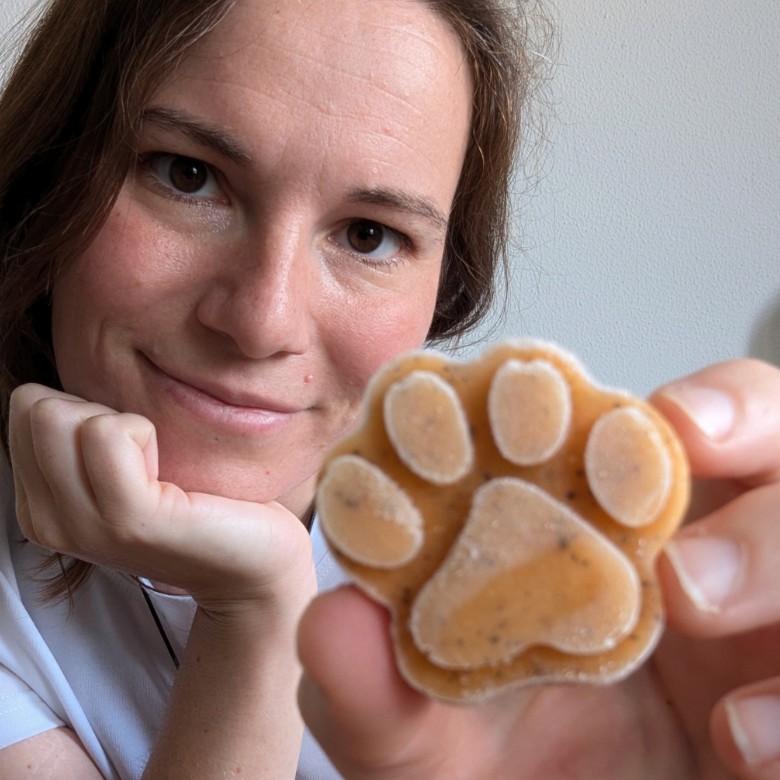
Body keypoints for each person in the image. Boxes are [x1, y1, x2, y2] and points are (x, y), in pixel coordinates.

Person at [1, 1, 779, 779]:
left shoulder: (544, 572)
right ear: (52, 171)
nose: (263, 320)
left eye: (367, 234)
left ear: (445, 282)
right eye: (189, 175)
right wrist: (255, 616)